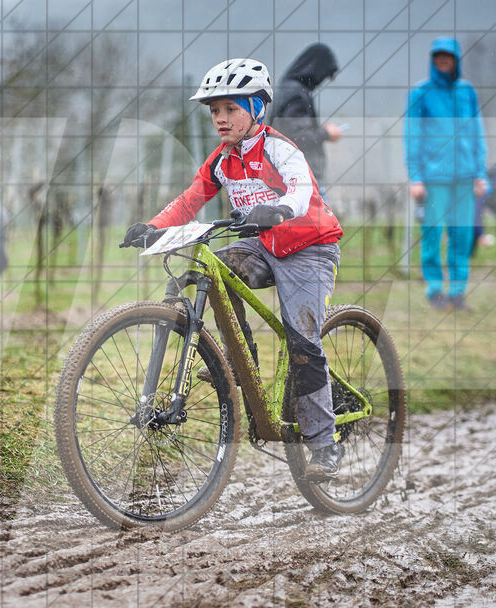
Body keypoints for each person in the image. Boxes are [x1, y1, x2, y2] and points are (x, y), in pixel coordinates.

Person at [120, 58, 345, 481]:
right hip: (264, 246)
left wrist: (277, 208)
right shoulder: (222, 160)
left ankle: (325, 444)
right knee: (218, 267)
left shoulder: (279, 148)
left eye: (231, 109)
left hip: (310, 247)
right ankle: (242, 357)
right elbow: (190, 200)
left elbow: (301, 190)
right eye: (214, 111)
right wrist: (151, 227)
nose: (220, 119)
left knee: (302, 343)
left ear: (257, 108)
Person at [404, 37, 488, 311]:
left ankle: (458, 291)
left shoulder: (467, 92)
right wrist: (415, 176)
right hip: (433, 178)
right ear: (432, 59)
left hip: (464, 177)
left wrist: (479, 172)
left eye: (448, 56)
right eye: (438, 56)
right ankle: (435, 290)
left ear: (455, 60)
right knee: (432, 234)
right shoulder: (420, 92)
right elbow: (412, 135)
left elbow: (477, 132)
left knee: (461, 235)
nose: (443, 60)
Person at [269, 43, 343, 195]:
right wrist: (326, 133)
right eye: (325, 75)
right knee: (319, 218)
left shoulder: (288, 89)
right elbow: (297, 136)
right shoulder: (296, 94)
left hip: (291, 174)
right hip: (302, 177)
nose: (323, 80)